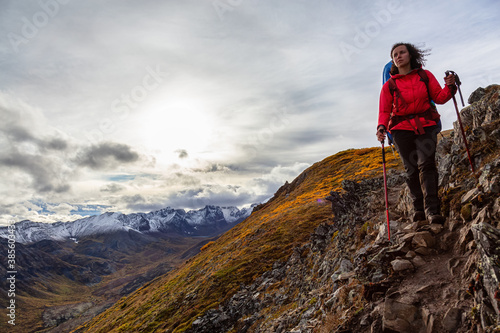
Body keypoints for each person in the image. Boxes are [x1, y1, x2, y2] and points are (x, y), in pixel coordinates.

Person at [376, 42, 456, 224]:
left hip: (426, 125)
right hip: (400, 129)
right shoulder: (389, 86)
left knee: (427, 164)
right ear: (393, 61)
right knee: (411, 169)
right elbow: (384, 111)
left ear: (410, 55)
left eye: (402, 52)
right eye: (395, 55)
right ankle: (418, 208)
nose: (398, 56)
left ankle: (432, 210)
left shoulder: (425, 76)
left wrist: (450, 87)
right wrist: (381, 127)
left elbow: (440, 98)